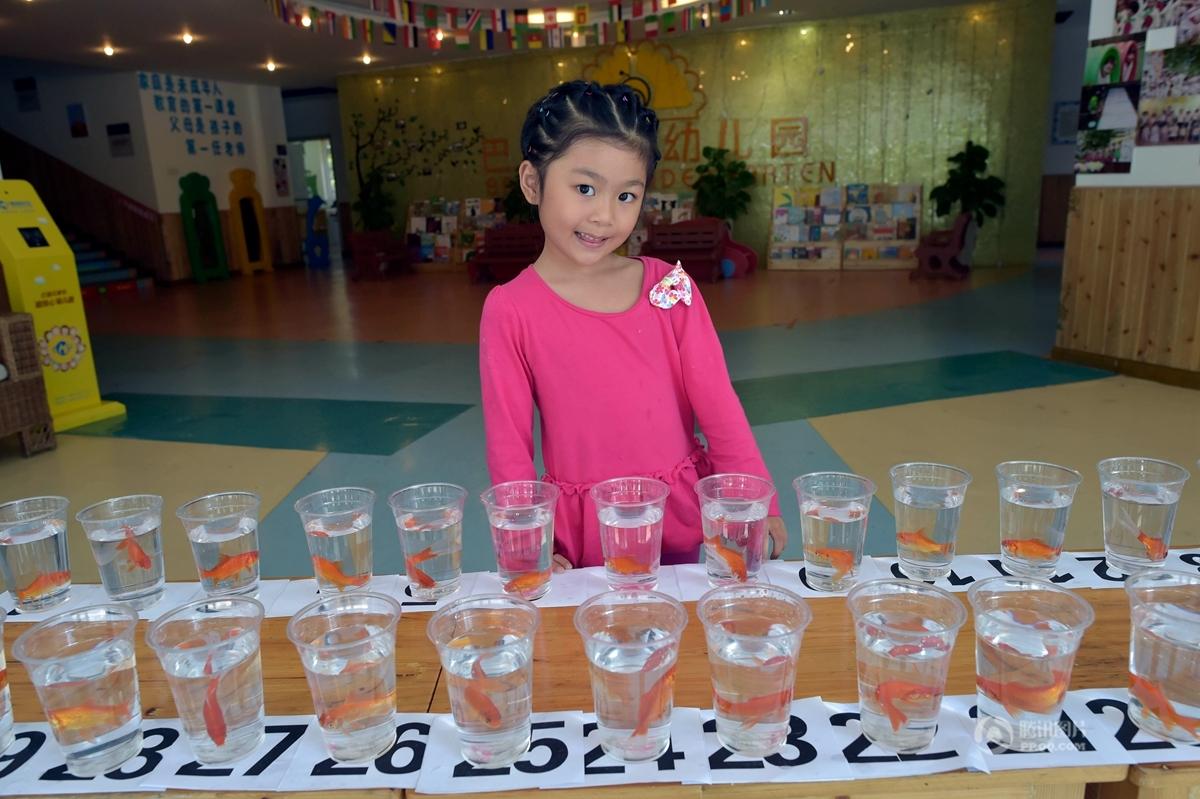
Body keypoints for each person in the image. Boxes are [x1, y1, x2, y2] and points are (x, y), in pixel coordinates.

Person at [479, 80, 785, 571]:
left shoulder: (670, 287)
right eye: (585, 188)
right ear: (533, 182)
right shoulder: (509, 309)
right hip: (585, 537)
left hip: (686, 520)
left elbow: (719, 404)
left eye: (626, 195)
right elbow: (509, 446)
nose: (604, 215)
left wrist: (756, 501)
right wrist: (527, 543)